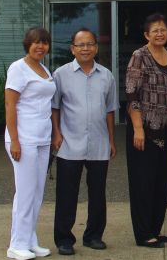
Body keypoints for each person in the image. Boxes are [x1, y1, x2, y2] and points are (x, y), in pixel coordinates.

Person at [51, 28, 118, 255]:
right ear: (73, 48)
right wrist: (57, 134)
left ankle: (93, 235)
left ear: (96, 48)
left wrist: (111, 140)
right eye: (81, 45)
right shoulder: (60, 74)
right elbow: (55, 107)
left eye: (90, 44)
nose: (86, 48)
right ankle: (64, 239)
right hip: (69, 144)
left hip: (99, 144)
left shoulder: (106, 75)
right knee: (66, 194)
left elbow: (110, 111)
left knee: (98, 193)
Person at [125, 13, 167, 249]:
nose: (160, 33)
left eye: (163, 29)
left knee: (162, 182)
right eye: (155, 30)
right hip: (144, 130)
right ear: (146, 34)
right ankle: (143, 233)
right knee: (143, 183)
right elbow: (132, 94)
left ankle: (155, 229)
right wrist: (138, 128)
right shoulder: (139, 56)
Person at [4, 26, 56, 260]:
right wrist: (15, 140)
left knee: (37, 192)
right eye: (36, 42)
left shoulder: (44, 69)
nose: (40, 46)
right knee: (25, 193)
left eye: (44, 42)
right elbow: (10, 105)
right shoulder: (18, 68)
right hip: (23, 138)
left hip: (42, 137)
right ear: (28, 44)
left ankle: (29, 239)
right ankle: (16, 244)